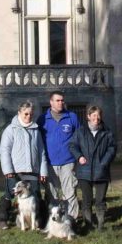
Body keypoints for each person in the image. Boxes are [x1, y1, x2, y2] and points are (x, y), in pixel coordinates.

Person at [0, 101, 48, 230]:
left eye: (31, 114)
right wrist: (8, 170)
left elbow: (41, 151)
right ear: (19, 113)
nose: (28, 117)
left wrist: (43, 171)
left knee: (36, 197)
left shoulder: (36, 130)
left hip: (33, 170)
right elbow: (4, 151)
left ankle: (38, 222)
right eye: (25, 114)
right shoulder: (10, 129)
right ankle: (2, 220)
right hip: (15, 171)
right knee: (9, 195)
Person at [67, 105, 117, 231]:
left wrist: (104, 162)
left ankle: (100, 225)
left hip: (101, 171)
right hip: (84, 171)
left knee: (100, 200)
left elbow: (112, 148)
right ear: (88, 116)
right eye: (93, 115)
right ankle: (88, 224)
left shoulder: (107, 132)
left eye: (98, 115)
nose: (97, 118)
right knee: (87, 200)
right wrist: (79, 157)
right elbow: (72, 145)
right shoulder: (80, 131)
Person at [37, 91, 80, 221]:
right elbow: (38, 141)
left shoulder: (72, 117)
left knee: (70, 192)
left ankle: (72, 220)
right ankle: (52, 220)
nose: (60, 103)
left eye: (62, 100)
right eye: (57, 100)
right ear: (51, 102)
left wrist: (78, 155)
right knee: (51, 195)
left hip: (68, 162)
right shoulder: (42, 119)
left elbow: (79, 137)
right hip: (49, 163)